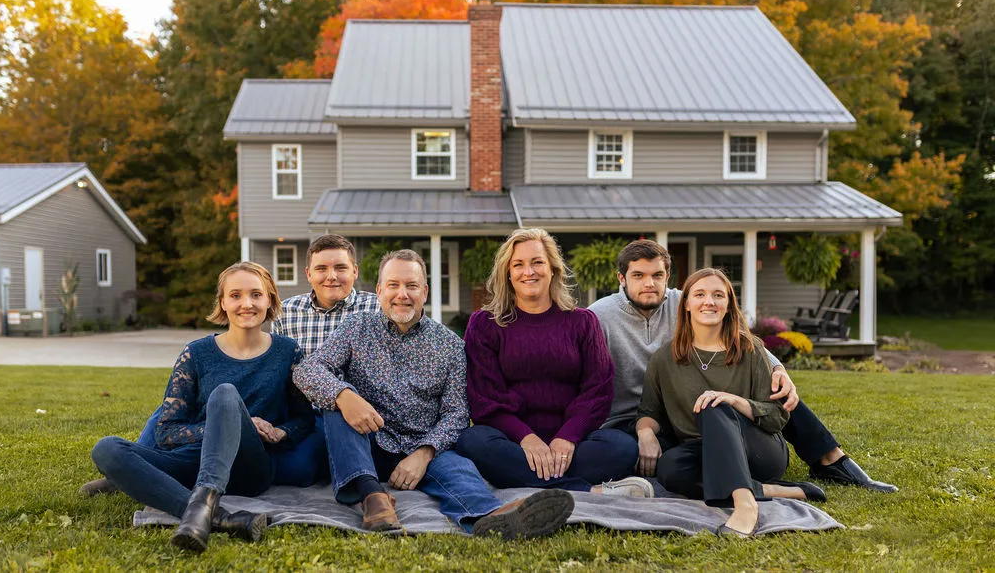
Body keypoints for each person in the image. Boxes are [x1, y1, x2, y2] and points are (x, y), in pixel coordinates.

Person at [293, 249, 575, 538]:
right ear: (379, 290)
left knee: (459, 469)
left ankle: (489, 517)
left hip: (424, 445)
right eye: (393, 285)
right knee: (336, 406)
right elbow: (307, 370)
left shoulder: (450, 345)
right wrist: (344, 396)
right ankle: (373, 497)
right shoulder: (355, 328)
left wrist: (424, 454)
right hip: (368, 442)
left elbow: (456, 414)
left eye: (411, 286)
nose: (402, 294)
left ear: (424, 291)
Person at [79, 234, 379, 496]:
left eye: (340, 268)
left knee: (300, 469)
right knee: (173, 406)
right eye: (322, 268)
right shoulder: (288, 311)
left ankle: (139, 471)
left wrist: (281, 428)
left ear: (354, 270)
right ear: (308, 273)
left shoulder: (375, 310)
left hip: (328, 411)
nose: (332, 276)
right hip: (286, 399)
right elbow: (263, 362)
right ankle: (135, 466)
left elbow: (277, 364)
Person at [589, 239, 897, 493]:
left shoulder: (687, 301)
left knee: (777, 390)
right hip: (637, 418)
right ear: (621, 279)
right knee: (667, 465)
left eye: (657, 275)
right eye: (639, 276)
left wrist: (777, 368)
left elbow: (737, 336)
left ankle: (831, 458)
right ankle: (753, 485)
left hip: (693, 403)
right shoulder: (599, 315)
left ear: (667, 277)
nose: (649, 284)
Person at [90, 262, 316, 552]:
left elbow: (304, 419)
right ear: (222, 302)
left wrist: (279, 432)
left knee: (224, 394)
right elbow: (167, 432)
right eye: (235, 295)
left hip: (250, 467)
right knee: (106, 448)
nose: (246, 304)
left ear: (270, 300)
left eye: (256, 295)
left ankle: (203, 501)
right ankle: (220, 518)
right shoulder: (196, 353)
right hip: (192, 463)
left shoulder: (288, 351)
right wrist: (223, 425)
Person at [456, 228, 649, 497]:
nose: (529, 271)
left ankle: (522, 480)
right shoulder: (485, 324)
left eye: (537, 262)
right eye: (518, 265)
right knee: (471, 441)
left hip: (573, 443)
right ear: (508, 273)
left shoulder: (582, 322)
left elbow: (598, 390)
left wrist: (567, 437)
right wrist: (526, 438)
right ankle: (588, 490)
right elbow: (484, 399)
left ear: (553, 269)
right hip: (512, 441)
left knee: (623, 447)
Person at [637, 267, 825, 537]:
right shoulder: (664, 358)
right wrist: (645, 432)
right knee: (670, 468)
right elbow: (649, 411)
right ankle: (767, 490)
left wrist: (734, 402)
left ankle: (745, 505)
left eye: (718, 295)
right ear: (686, 304)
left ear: (728, 305)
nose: (709, 302)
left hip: (759, 449)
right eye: (699, 294)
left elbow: (778, 416)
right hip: (703, 453)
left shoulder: (750, 349)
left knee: (715, 405)